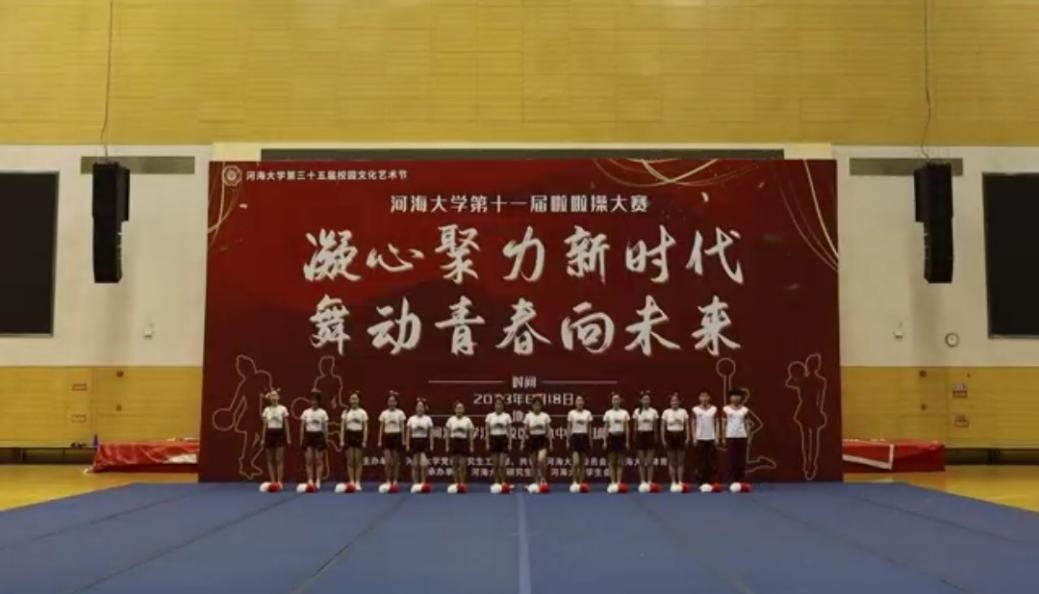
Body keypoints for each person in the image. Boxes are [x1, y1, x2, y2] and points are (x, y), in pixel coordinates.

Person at [260, 389, 290, 487]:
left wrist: (288, 437)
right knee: (270, 460)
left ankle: (279, 481)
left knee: (279, 459)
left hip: (279, 433)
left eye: (275, 395)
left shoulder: (283, 409)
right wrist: (263, 438)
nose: (273, 397)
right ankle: (272, 481)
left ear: (278, 397)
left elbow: (286, 424)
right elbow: (264, 425)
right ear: (269, 398)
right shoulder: (266, 410)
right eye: (272, 396)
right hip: (269, 434)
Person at [660, 392, 690, 488]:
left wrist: (688, 437)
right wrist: (663, 439)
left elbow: (687, 425)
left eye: (676, 401)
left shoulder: (683, 411)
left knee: (680, 461)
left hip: (680, 435)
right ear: (670, 402)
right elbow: (662, 426)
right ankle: (673, 482)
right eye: (672, 401)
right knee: (672, 461)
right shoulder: (666, 412)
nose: (674, 402)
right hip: (670, 436)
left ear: (679, 402)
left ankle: (680, 481)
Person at [377, 392, 407, 489]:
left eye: (393, 401)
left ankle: (395, 480)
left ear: (396, 402)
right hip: (387, 436)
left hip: (396, 436)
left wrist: (403, 439)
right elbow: (381, 428)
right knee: (388, 461)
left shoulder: (400, 413)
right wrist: (379, 440)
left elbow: (402, 427)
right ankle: (388, 480)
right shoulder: (384, 413)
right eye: (390, 401)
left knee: (396, 461)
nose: (392, 403)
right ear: (387, 402)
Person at [299, 392, 329, 489]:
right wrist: (301, 439)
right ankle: (310, 480)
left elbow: (325, 428)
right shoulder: (306, 412)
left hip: (319, 436)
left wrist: (326, 439)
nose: (314, 402)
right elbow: (302, 427)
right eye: (312, 400)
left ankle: (318, 480)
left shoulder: (323, 412)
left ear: (318, 401)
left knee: (318, 460)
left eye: (315, 400)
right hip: (308, 436)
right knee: (309, 460)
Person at [521, 397, 552, 488]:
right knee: (534, 462)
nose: (537, 407)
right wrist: (522, 443)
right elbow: (525, 431)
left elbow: (549, 431)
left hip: (542, 439)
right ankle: (536, 481)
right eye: (535, 405)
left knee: (541, 460)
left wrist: (551, 443)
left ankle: (543, 478)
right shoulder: (528, 416)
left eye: (539, 405)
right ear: (532, 406)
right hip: (532, 440)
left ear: (541, 406)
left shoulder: (545, 416)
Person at [721, 388, 750, 484]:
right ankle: (731, 481)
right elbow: (724, 424)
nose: (736, 398)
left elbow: (747, 424)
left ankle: (741, 480)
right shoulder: (726, 409)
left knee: (741, 460)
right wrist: (723, 437)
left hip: (742, 437)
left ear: (741, 398)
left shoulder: (745, 410)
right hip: (730, 437)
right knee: (731, 460)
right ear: (730, 397)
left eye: (738, 396)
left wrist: (748, 437)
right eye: (733, 396)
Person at [339, 392, 367, 488]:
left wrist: (364, 440)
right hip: (349, 435)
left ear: (358, 401)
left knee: (358, 460)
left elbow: (365, 428)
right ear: (349, 401)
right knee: (350, 460)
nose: (354, 401)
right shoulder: (345, 412)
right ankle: (351, 481)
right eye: (352, 399)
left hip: (358, 435)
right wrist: (342, 440)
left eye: (355, 399)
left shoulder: (362, 412)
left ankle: (357, 481)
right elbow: (342, 427)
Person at [602, 393, 630, 488]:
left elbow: (627, 428)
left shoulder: (624, 413)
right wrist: (604, 441)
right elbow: (605, 428)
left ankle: (618, 482)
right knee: (612, 461)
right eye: (614, 399)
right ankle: (613, 482)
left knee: (620, 461)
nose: (616, 401)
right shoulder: (608, 413)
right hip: (611, 437)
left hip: (621, 437)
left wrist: (627, 441)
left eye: (617, 399)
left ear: (620, 401)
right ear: (612, 401)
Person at [692, 389, 720, 485]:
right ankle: (702, 482)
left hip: (711, 438)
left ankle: (711, 482)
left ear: (709, 398)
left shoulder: (714, 409)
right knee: (701, 461)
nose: (704, 398)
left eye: (706, 396)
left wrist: (717, 437)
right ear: (699, 398)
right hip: (700, 438)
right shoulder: (695, 409)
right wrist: (694, 437)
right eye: (702, 396)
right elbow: (693, 423)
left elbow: (717, 423)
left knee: (711, 461)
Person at [445, 401, 475, 488]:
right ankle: (456, 483)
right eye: (458, 408)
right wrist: (447, 446)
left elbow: (470, 435)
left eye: (461, 408)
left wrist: (471, 446)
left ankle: (462, 484)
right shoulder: (450, 420)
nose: (459, 410)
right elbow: (447, 435)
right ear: (454, 410)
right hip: (454, 442)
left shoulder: (467, 420)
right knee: (454, 465)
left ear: (464, 410)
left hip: (463, 442)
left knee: (462, 465)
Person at [632, 391, 659, 488]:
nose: (646, 401)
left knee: (650, 461)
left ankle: (650, 481)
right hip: (640, 435)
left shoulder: (654, 412)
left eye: (648, 399)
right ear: (641, 401)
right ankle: (643, 481)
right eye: (644, 399)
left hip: (650, 435)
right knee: (641, 461)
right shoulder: (636, 411)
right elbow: (635, 426)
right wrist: (635, 436)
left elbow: (655, 426)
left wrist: (655, 437)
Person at [406, 399, 434, 487]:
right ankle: (415, 483)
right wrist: (407, 444)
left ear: (424, 408)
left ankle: (423, 483)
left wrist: (431, 444)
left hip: (424, 441)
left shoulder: (428, 419)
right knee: (415, 464)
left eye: (421, 406)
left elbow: (431, 433)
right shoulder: (411, 419)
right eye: (418, 406)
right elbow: (408, 433)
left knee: (424, 464)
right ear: (415, 408)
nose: (420, 408)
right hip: (414, 441)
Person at [484, 397, 512, 487]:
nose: (498, 406)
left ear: (503, 406)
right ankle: (496, 483)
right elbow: (487, 431)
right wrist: (487, 443)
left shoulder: (507, 416)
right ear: (494, 405)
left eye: (500, 404)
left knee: (502, 465)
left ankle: (504, 482)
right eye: (497, 404)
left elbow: (509, 431)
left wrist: (510, 443)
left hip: (503, 439)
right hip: (493, 439)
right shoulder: (490, 416)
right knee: (495, 465)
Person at [566, 395, 593, 486]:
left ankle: (581, 482)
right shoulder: (571, 413)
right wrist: (567, 441)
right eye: (578, 401)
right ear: (575, 403)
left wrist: (590, 440)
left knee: (582, 463)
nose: (579, 402)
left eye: (581, 401)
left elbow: (589, 428)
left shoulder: (588, 413)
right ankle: (574, 481)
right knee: (576, 462)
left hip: (584, 437)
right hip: (574, 437)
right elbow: (569, 427)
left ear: (583, 403)